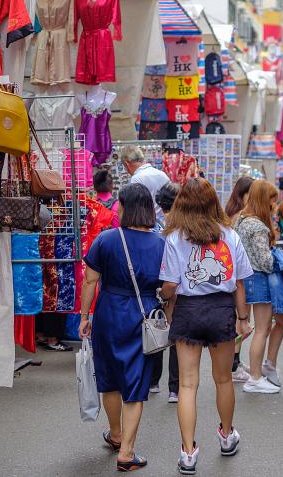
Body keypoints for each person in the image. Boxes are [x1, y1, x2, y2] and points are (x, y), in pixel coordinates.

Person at [159, 178, 252, 475]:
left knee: (187, 384)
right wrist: (243, 318)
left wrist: (165, 300)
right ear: (213, 201)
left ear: (181, 202)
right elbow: (239, 283)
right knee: (223, 379)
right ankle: (227, 436)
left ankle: (188, 452)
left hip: (188, 310)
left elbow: (170, 286)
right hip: (221, 309)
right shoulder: (229, 234)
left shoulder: (174, 237)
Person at [78, 183, 165, 472]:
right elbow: (169, 287)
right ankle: (126, 452)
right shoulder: (161, 243)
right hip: (144, 315)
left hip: (108, 311)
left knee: (111, 376)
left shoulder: (106, 239)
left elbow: (90, 281)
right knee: (136, 381)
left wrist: (84, 317)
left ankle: (115, 434)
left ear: (125, 207)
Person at [234, 180, 283, 394]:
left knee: (259, 328)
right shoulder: (257, 226)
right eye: (272, 199)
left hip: (246, 278)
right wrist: (280, 257)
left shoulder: (242, 219)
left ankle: (256, 374)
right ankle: (255, 377)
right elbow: (265, 261)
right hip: (258, 278)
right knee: (262, 329)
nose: (274, 203)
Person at [147, 183, 180, 400]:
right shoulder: (183, 228)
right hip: (179, 285)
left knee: (157, 329)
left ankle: (153, 381)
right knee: (177, 335)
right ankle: (175, 388)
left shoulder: (155, 227)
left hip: (158, 284)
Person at [224, 176, 255, 383]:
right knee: (240, 319)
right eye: (250, 194)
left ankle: (235, 361)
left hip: (235, 272)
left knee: (240, 318)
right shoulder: (239, 215)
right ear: (242, 194)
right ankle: (233, 364)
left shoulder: (231, 212)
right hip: (238, 275)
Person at [120, 145, 170, 219]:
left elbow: (134, 208)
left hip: (147, 224)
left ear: (127, 164)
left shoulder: (136, 179)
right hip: (165, 223)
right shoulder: (162, 174)